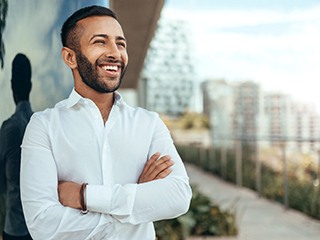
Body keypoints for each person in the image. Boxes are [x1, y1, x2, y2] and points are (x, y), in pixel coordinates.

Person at [20, 5, 192, 240]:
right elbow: (42, 225)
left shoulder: (148, 123)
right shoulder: (43, 126)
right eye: (100, 42)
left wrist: (84, 196)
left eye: (120, 43)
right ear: (70, 57)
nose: (115, 53)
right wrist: (137, 201)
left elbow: (178, 196)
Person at [0, 53, 33, 240]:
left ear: (12, 86)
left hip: (15, 229)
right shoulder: (41, 124)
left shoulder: (9, 128)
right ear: (30, 86)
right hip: (40, 228)